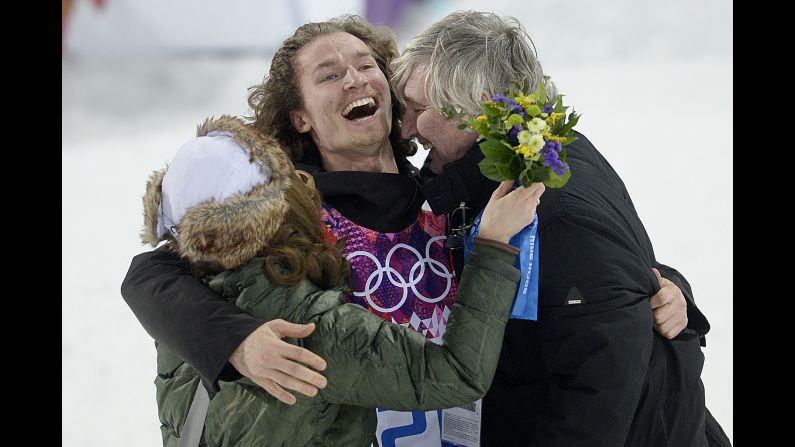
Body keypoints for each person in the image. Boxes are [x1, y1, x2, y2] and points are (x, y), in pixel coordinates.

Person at [121, 14, 692, 446]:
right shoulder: (283, 207)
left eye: (367, 65)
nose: (354, 79)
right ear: (299, 117)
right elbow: (153, 272)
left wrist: (664, 286)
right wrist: (231, 343)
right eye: (328, 74)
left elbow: (574, 259)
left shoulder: (445, 191)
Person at [390, 10, 731, 446]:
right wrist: (670, 287)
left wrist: (670, 294)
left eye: (419, 108)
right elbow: (613, 276)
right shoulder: (503, 173)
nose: (406, 127)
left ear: (477, 109)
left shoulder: (555, 205)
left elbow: (598, 394)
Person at [142, 113, 543, 446]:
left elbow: (147, 270)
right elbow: (458, 374)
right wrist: (492, 245)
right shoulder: (308, 326)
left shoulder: (184, 303)